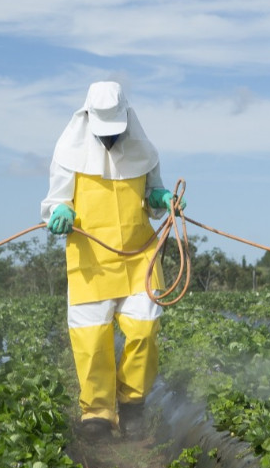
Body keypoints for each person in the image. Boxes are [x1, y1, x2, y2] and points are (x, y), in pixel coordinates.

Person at [41, 81, 183, 440]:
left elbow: (152, 197)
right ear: (88, 119)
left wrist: (162, 197)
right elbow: (56, 200)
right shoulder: (67, 152)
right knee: (92, 340)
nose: (110, 140)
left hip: (139, 257)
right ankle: (98, 414)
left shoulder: (144, 151)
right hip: (91, 260)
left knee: (145, 330)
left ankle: (133, 403)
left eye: (115, 133)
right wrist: (60, 212)